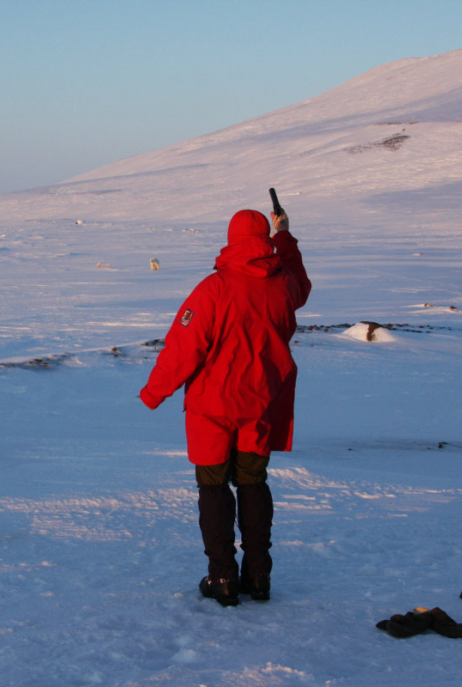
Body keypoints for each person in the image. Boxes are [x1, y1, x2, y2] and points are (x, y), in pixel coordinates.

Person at [139, 207, 311, 606]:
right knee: (253, 481)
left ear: (231, 239)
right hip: (261, 402)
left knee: (213, 486)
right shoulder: (283, 284)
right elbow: (301, 282)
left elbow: (184, 347)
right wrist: (285, 238)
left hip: (212, 405)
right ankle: (258, 575)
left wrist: (154, 392)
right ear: (265, 238)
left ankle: (222, 578)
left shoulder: (214, 288)